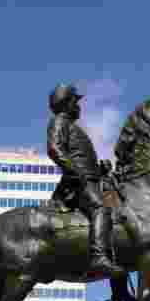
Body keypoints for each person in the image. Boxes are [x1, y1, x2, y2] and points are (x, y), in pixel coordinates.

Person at [46, 84, 125, 280]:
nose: (79, 106)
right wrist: (76, 173)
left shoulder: (72, 127)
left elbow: (80, 159)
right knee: (100, 208)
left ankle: (119, 285)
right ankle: (98, 257)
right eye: (75, 101)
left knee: (119, 217)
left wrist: (100, 171)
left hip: (88, 180)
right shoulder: (59, 122)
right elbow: (55, 150)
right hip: (78, 183)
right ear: (67, 103)